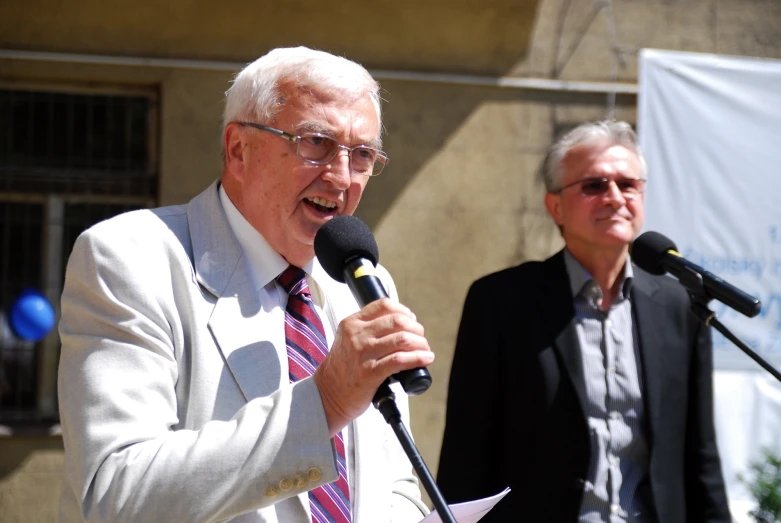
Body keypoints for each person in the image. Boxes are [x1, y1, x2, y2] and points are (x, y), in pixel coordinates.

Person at [57, 46, 434, 522]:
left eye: (361, 155)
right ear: (238, 149)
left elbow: (390, 482)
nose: (341, 178)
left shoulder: (362, 283)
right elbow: (116, 494)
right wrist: (325, 402)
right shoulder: (129, 258)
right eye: (316, 142)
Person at [436, 120, 731, 522]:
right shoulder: (501, 302)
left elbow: (701, 458)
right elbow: (466, 453)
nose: (614, 198)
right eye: (593, 185)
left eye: (628, 185)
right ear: (555, 205)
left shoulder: (680, 306)